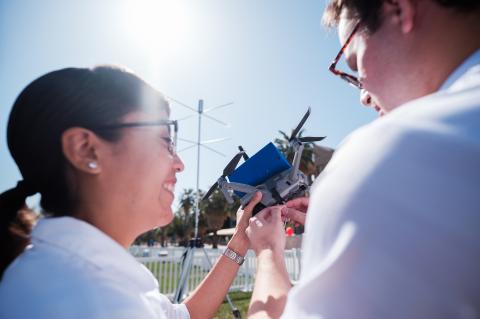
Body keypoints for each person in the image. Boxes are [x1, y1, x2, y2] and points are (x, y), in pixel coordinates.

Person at [245, 0, 480, 318]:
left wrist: (268, 252)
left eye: (353, 64)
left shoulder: (393, 158)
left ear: (399, 8)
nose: (363, 95)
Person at [0, 66, 263, 319]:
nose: (179, 163)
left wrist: (240, 239)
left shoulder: (67, 274)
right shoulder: (95, 302)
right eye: (165, 140)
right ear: (86, 149)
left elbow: (184, 315)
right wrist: (271, 254)